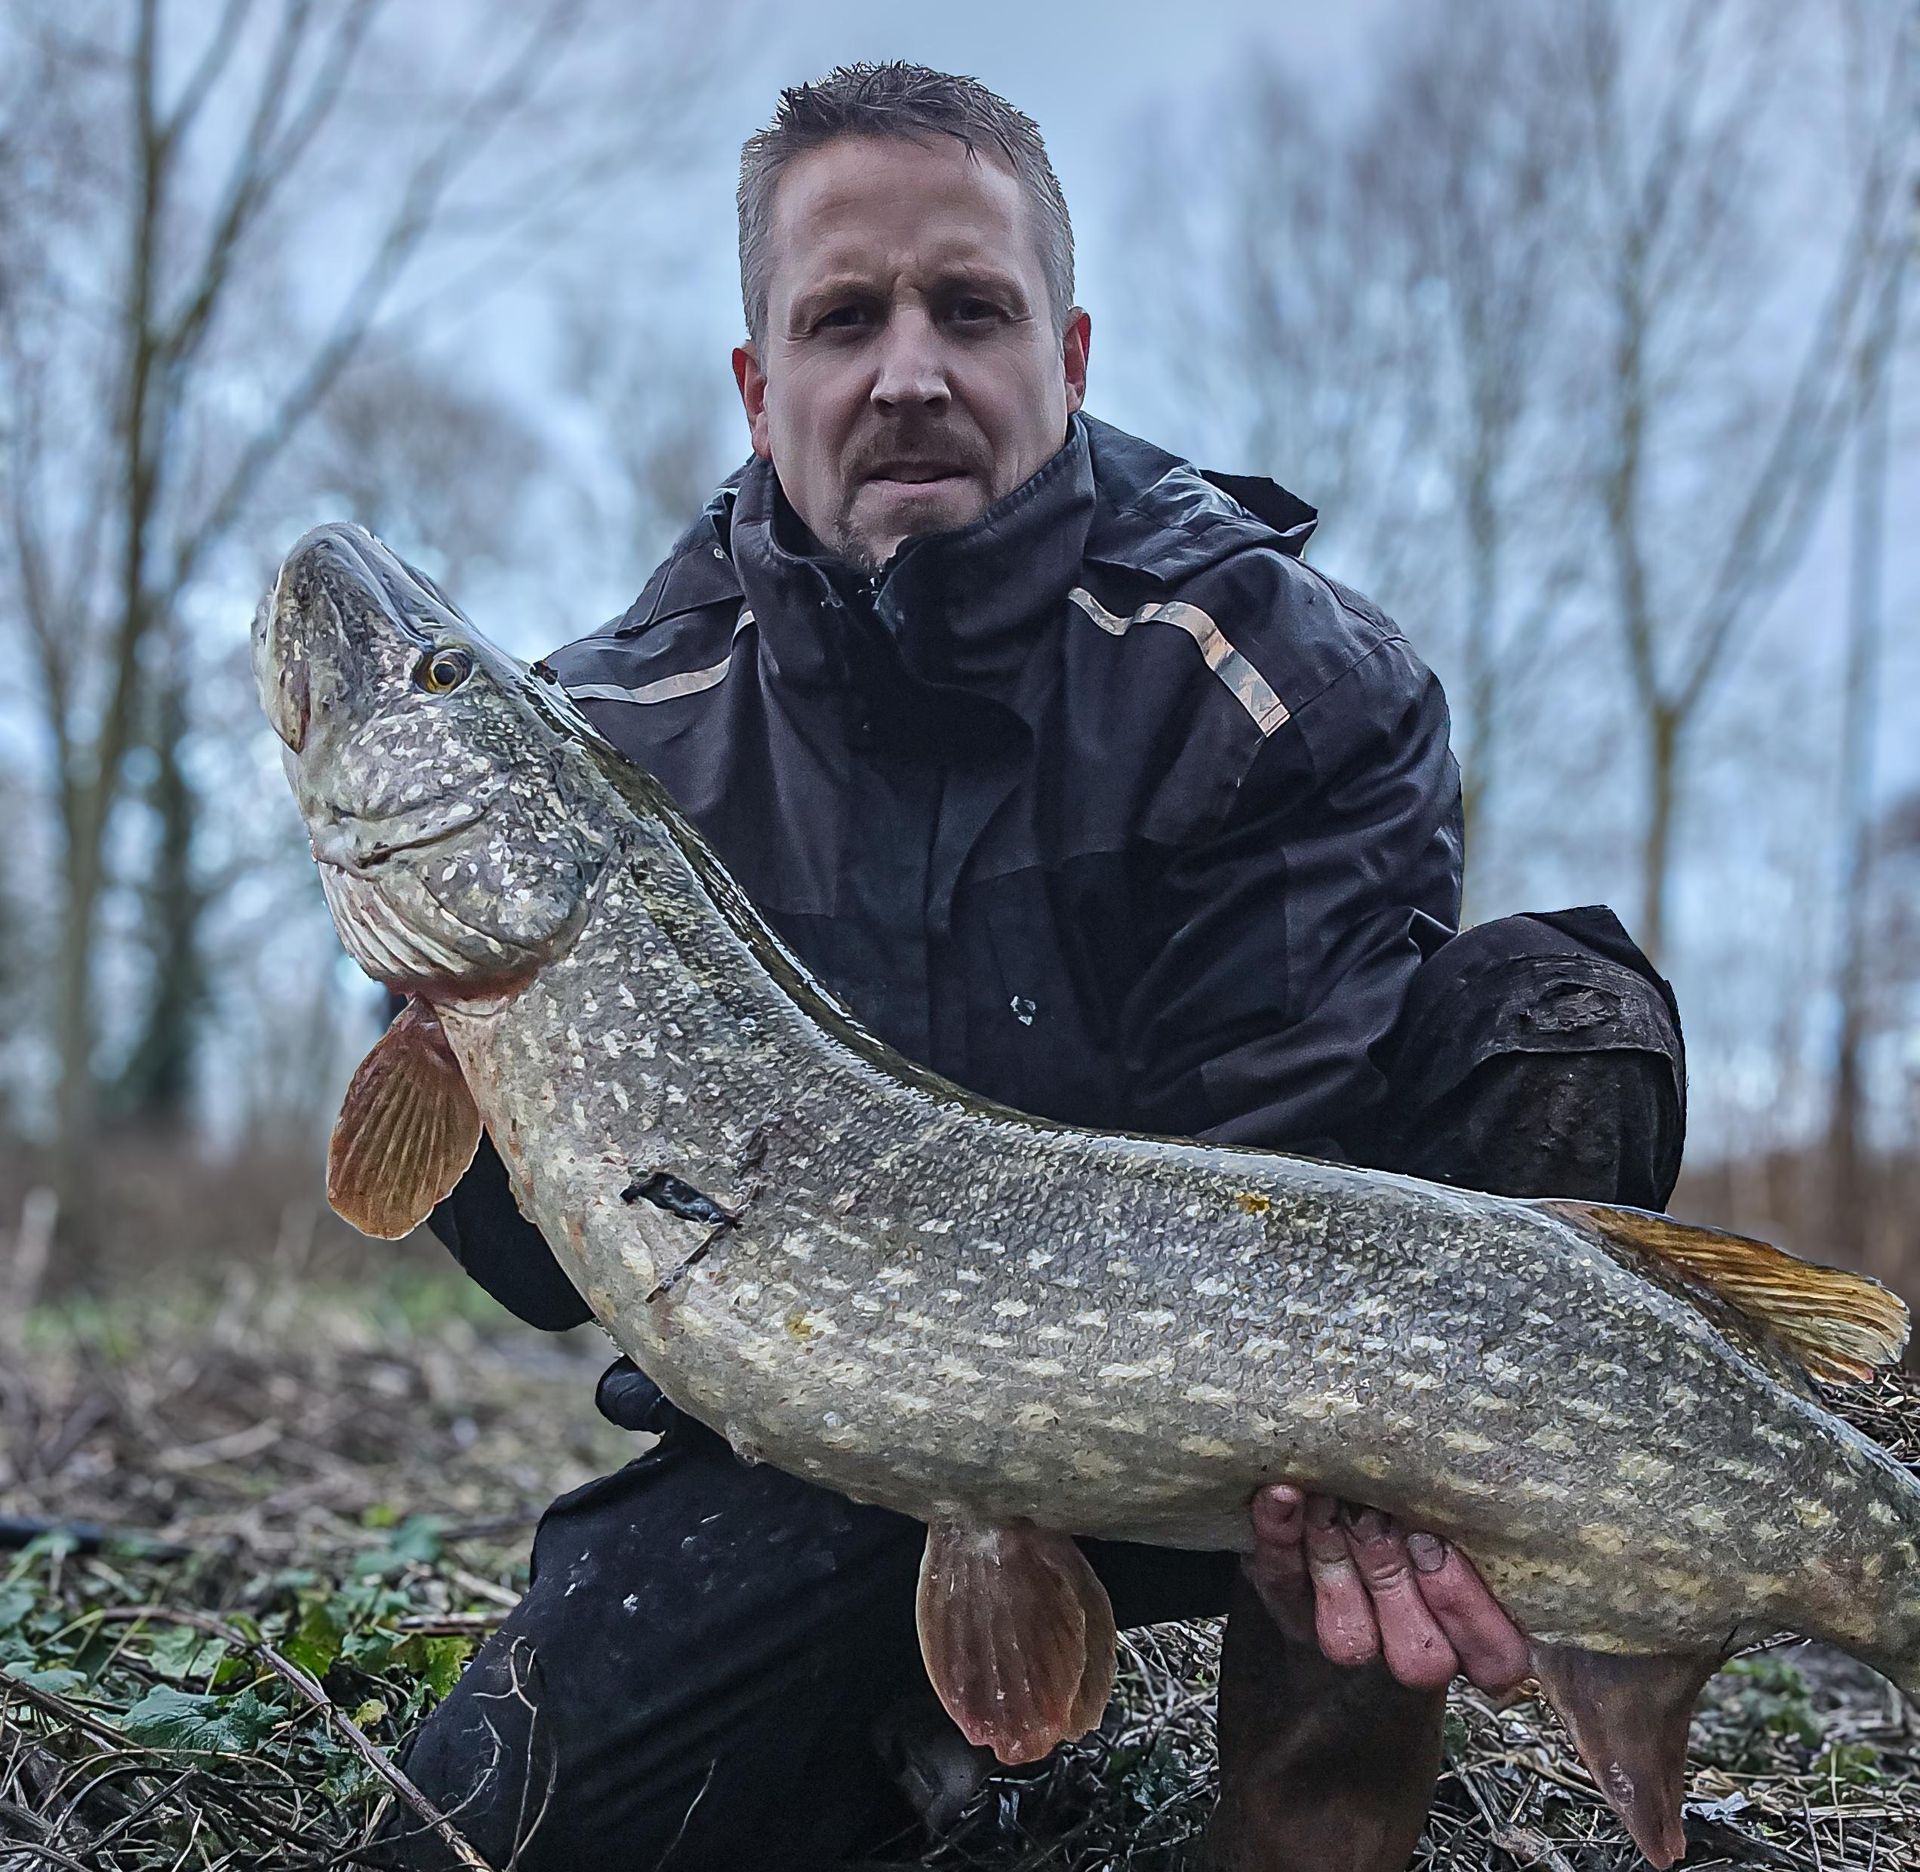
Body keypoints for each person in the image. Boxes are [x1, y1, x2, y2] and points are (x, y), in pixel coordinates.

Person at [379, 63, 1685, 1872]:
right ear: (760, 388)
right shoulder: (618, 741)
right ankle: (889, 1740)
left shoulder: (1273, 676)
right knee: (486, 1833)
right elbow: (543, 1275)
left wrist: (1349, 1448)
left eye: (971, 310)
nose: (909, 370)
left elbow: (1297, 1171)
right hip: (825, 1430)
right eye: (845, 318)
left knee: (1548, 1025)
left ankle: (1309, 1822)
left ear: (1066, 355)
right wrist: (473, 1029)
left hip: (1271, 1412)